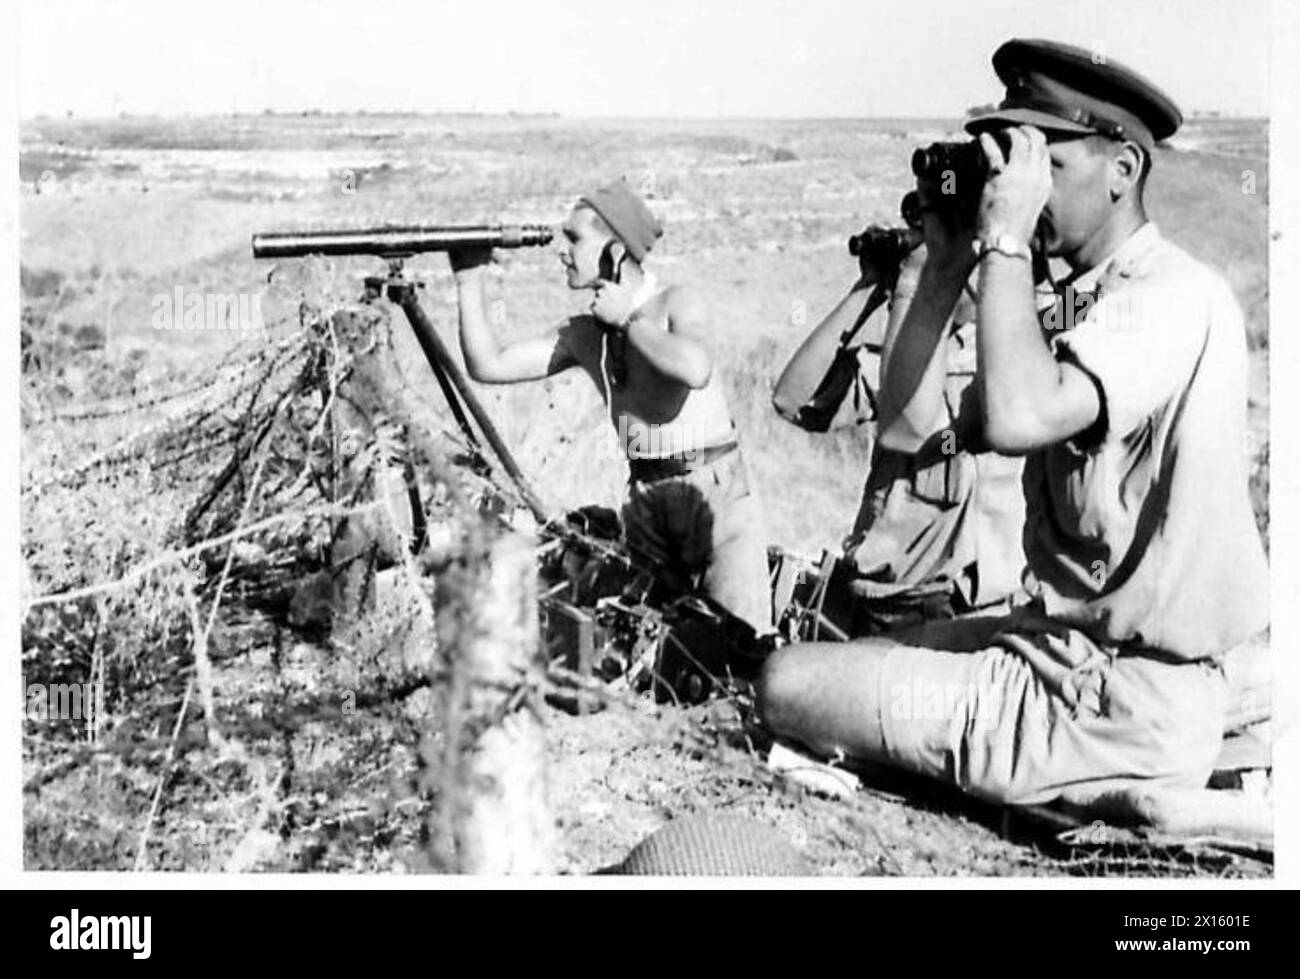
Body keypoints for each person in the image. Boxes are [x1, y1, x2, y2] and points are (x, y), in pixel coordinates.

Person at [758, 39, 1270, 805]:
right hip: (1063, 655)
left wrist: (1003, 238)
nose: (1023, 191)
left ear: (1123, 170)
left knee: (785, 681)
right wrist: (938, 269)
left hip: (1115, 703)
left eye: (1046, 167)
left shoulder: (1170, 296)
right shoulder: (1085, 303)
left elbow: (1016, 415)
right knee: (865, 656)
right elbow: (908, 426)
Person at [448, 181, 772, 634]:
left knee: (740, 649)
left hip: (716, 496)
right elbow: (488, 365)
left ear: (615, 251)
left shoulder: (674, 304)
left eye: (575, 239)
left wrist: (629, 320)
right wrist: (468, 280)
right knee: (656, 655)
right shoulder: (585, 335)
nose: (564, 252)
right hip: (648, 503)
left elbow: (694, 367)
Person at [773, 233, 1027, 632]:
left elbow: (1083, 305)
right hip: (895, 603)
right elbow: (792, 400)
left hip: (988, 604)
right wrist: (869, 287)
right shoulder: (900, 368)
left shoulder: (1023, 343)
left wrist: (1001, 254)